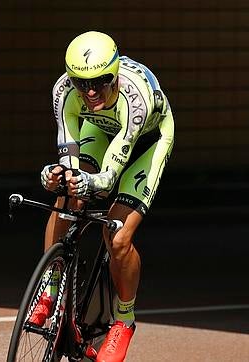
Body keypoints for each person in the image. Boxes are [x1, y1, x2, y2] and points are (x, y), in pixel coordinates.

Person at [32, 31, 174, 362]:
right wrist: (59, 177)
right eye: (82, 83)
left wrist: (90, 183)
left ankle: (123, 321)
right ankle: (51, 284)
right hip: (100, 128)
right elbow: (68, 152)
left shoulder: (134, 97)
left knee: (118, 236)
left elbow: (109, 178)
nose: (91, 91)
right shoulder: (63, 91)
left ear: (115, 74)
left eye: (101, 81)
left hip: (145, 141)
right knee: (68, 198)